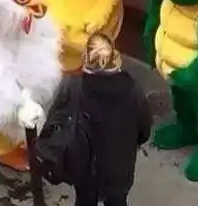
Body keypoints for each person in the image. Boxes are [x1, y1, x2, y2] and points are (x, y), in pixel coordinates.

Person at [47, 32, 153, 206]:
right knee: (117, 201)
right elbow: (144, 128)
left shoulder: (74, 87)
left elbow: (55, 121)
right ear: (114, 57)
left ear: (87, 58)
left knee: (84, 200)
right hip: (119, 167)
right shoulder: (133, 89)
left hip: (84, 167)